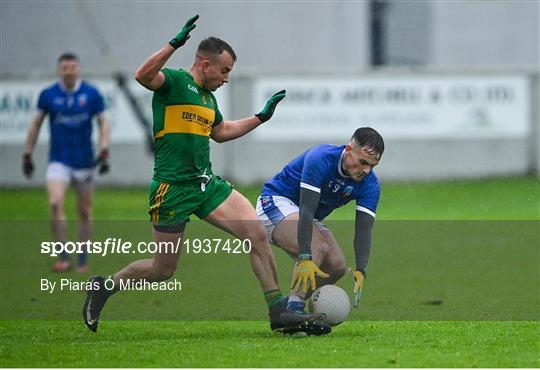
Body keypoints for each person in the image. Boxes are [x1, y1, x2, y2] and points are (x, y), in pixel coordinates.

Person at [82, 15, 330, 335]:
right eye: (224, 71)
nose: (226, 78)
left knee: (255, 233)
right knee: (162, 269)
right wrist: (174, 43)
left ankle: (278, 311)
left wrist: (260, 117)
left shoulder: (208, 99)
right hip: (172, 190)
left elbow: (222, 132)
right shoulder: (172, 82)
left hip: (206, 185)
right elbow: (143, 75)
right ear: (204, 65)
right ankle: (104, 286)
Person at [256, 127, 384, 312]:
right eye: (363, 162)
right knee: (317, 247)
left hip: (302, 212)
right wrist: (305, 256)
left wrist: (361, 268)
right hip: (275, 202)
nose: (366, 170)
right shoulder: (321, 158)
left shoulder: (370, 184)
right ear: (348, 150)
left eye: (372, 165)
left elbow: (364, 229)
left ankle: (287, 306)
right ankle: (294, 309)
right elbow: (307, 211)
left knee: (337, 265)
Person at [23, 52, 110, 274]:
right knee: (54, 203)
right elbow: (35, 124)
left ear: (78, 69)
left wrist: (104, 149)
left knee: (84, 210)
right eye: (65, 67)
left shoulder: (91, 94)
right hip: (58, 160)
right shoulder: (48, 95)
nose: (69, 71)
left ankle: (82, 259)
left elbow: (103, 123)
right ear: (59, 70)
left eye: (72, 67)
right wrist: (27, 153)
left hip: (85, 162)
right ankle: (63, 257)